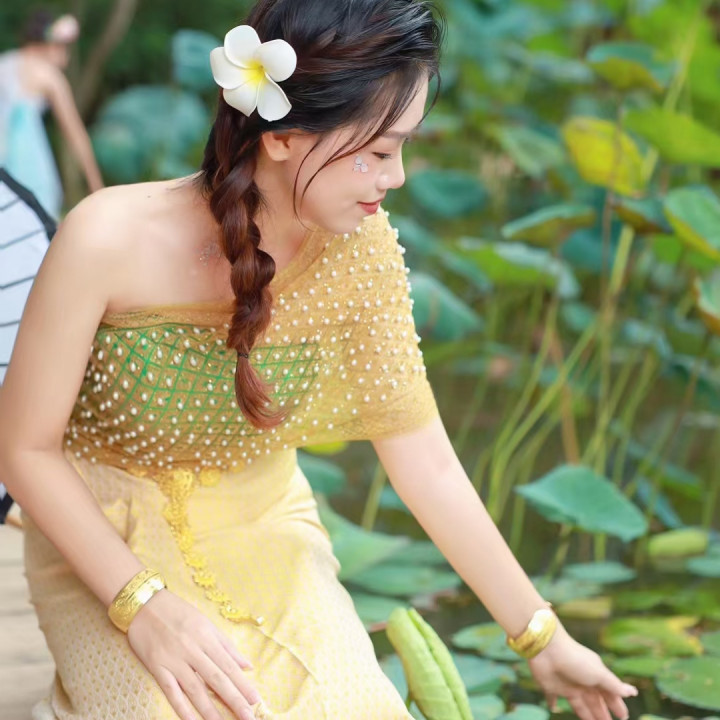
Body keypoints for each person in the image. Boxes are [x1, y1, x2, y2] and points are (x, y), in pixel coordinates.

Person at [0, 1, 639, 718]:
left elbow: (424, 461)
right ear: (281, 136)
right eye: (378, 152)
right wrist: (142, 606)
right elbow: (25, 449)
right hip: (99, 537)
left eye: (403, 148)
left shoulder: (361, 252)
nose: (397, 177)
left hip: (265, 527)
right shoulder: (106, 239)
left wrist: (541, 636)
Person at [0, 9, 104, 218]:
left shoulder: (5, 63)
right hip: (25, 167)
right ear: (51, 44)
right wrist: (97, 185)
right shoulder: (47, 74)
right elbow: (75, 133)